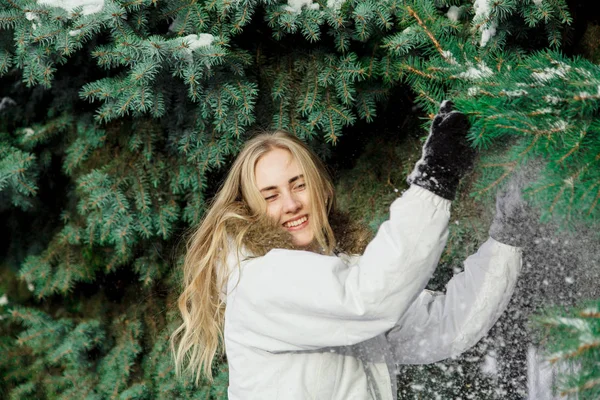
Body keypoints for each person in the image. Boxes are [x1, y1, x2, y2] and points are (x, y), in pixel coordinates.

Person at [171, 101, 524, 399]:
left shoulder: (340, 274)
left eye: (299, 185)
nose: (291, 204)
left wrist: (507, 237)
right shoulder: (259, 282)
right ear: (251, 209)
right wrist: (435, 178)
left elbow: (444, 326)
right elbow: (368, 298)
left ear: (322, 189)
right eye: (271, 196)